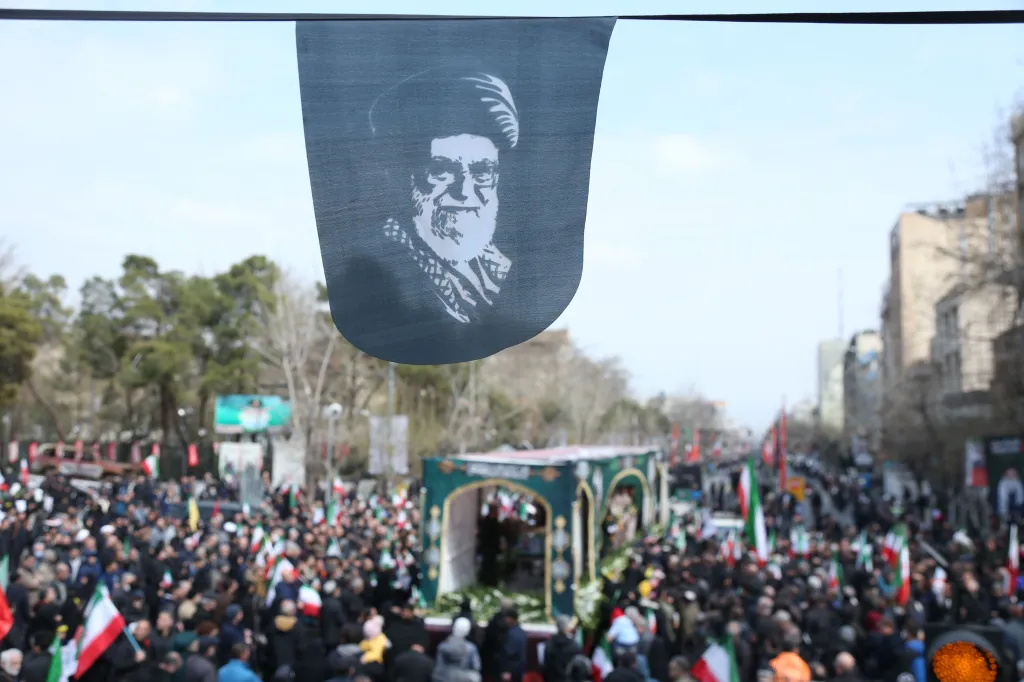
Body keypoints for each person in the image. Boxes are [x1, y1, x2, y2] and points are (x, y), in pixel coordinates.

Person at [542, 616, 581, 682]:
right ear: (567, 628)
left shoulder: (548, 644)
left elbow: (545, 666)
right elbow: (577, 666)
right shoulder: (574, 645)